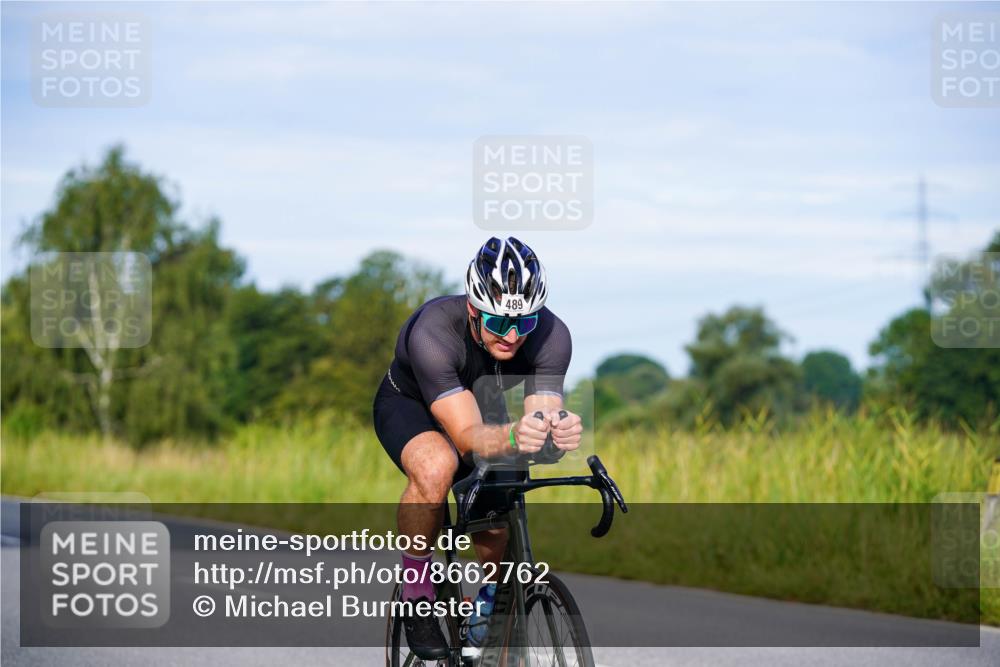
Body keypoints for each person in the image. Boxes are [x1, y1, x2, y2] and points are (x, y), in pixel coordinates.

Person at [372, 236, 582, 659]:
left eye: (523, 324)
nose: (511, 336)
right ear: (473, 308)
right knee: (436, 466)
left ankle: (489, 601)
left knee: (499, 493)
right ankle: (418, 591)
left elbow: (541, 411)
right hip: (414, 404)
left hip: (483, 403)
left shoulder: (553, 335)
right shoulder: (434, 332)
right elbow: (467, 436)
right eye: (498, 322)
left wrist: (555, 431)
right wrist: (508, 437)